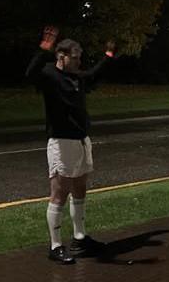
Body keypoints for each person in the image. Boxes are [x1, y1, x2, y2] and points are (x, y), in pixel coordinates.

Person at [25, 26, 115, 263]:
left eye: (80, 58)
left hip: (81, 140)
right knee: (59, 193)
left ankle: (79, 238)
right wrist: (43, 50)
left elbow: (94, 75)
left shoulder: (77, 77)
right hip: (61, 141)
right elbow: (29, 74)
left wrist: (108, 56)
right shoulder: (48, 75)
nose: (78, 62)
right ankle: (55, 246)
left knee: (80, 189)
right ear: (61, 56)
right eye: (74, 58)